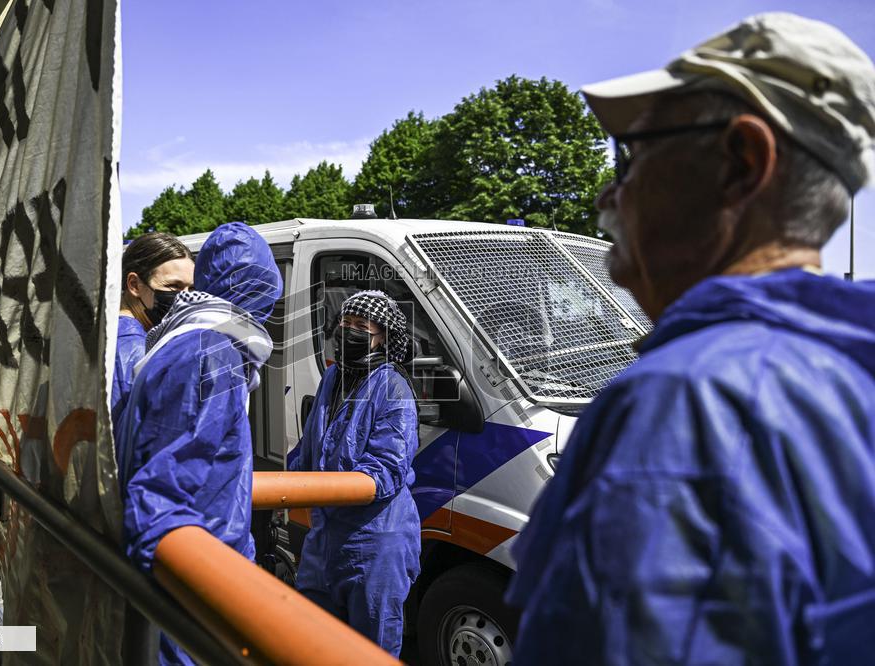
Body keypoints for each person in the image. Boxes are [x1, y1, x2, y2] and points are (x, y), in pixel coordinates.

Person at [506, 12, 875, 665]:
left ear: (741, 162)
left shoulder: (694, 403)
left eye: (633, 155)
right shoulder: (847, 366)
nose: (604, 194)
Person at [116, 222, 282, 665]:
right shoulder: (212, 352)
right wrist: (204, 583)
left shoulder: (182, 341)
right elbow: (162, 494)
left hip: (194, 576)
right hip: (197, 586)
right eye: (268, 291)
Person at [290, 290, 420, 657]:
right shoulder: (332, 378)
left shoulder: (392, 386)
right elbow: (310, 450)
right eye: (346, 323)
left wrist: (313, 489)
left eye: (362, 326)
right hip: (325, 536)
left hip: (375, 542)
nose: (350, 332)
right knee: (314, 642)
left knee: (370, 649)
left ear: (383, 338)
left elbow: (385, 472)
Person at [112, 232, 193, 461]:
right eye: (174, 287)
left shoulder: (111, 333)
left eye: (190, 289)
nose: (186, 299)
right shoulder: (135, 350)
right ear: (134, 285)